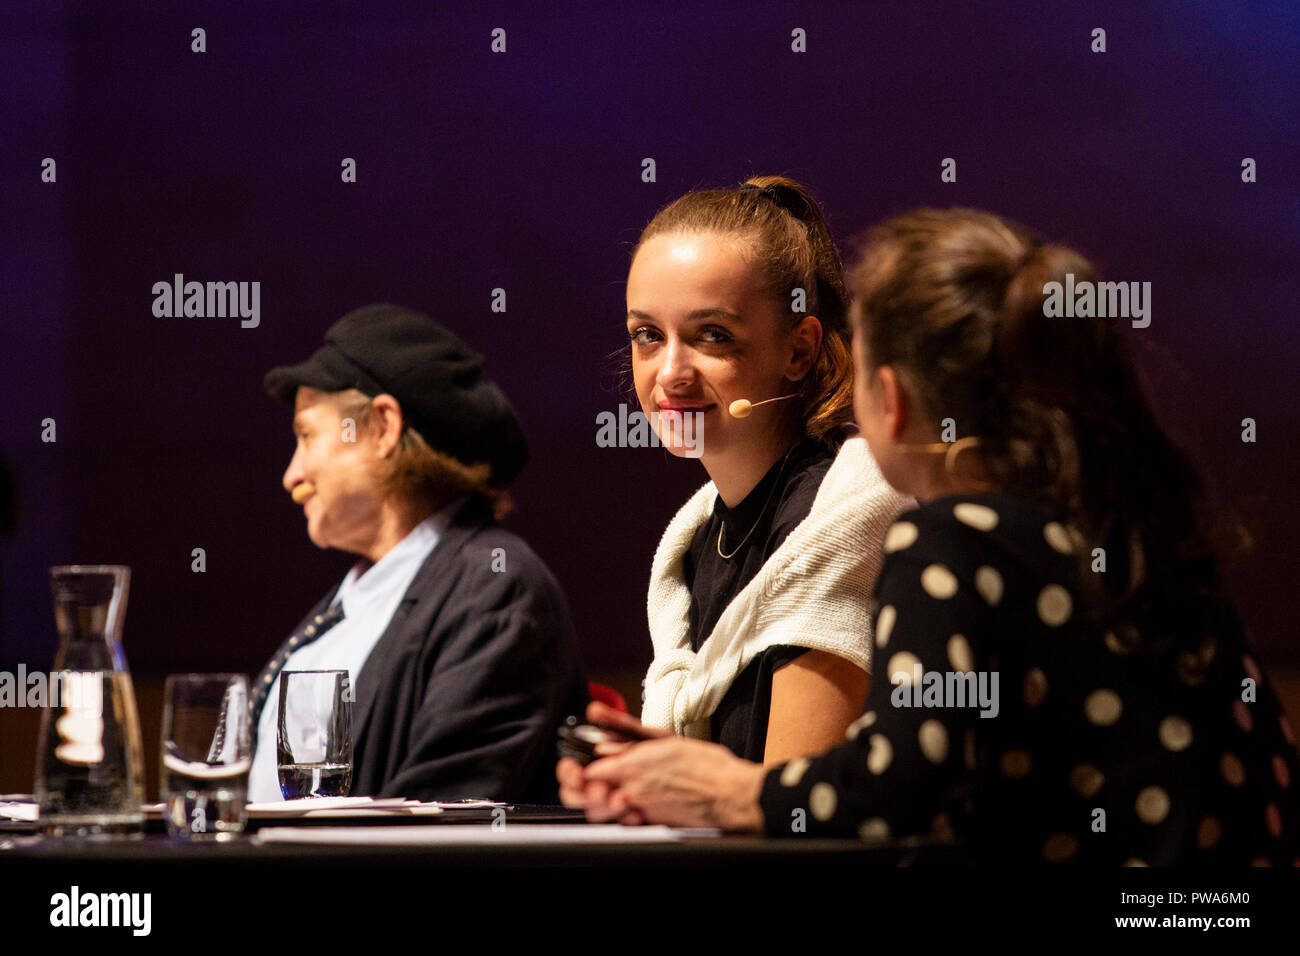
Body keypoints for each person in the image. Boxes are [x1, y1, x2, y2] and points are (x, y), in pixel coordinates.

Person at [561, 208, 1300, 865]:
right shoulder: (1139, 529)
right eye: (646, 336)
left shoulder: (954, 540)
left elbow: (901, 783)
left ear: (892, 397)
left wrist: (740, 794)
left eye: (712, 334)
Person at [249, 302, 588, 803]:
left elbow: (441, 824)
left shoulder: (495, 589)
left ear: (383, 426)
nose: (291, 475)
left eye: (306, 435)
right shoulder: (354, 600)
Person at [626, 177, 911, 765]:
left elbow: (793, 823)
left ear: (799, 350)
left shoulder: (839, 519)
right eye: (648, 336)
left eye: (713, 335)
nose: (670, 373)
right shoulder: (699, 540)